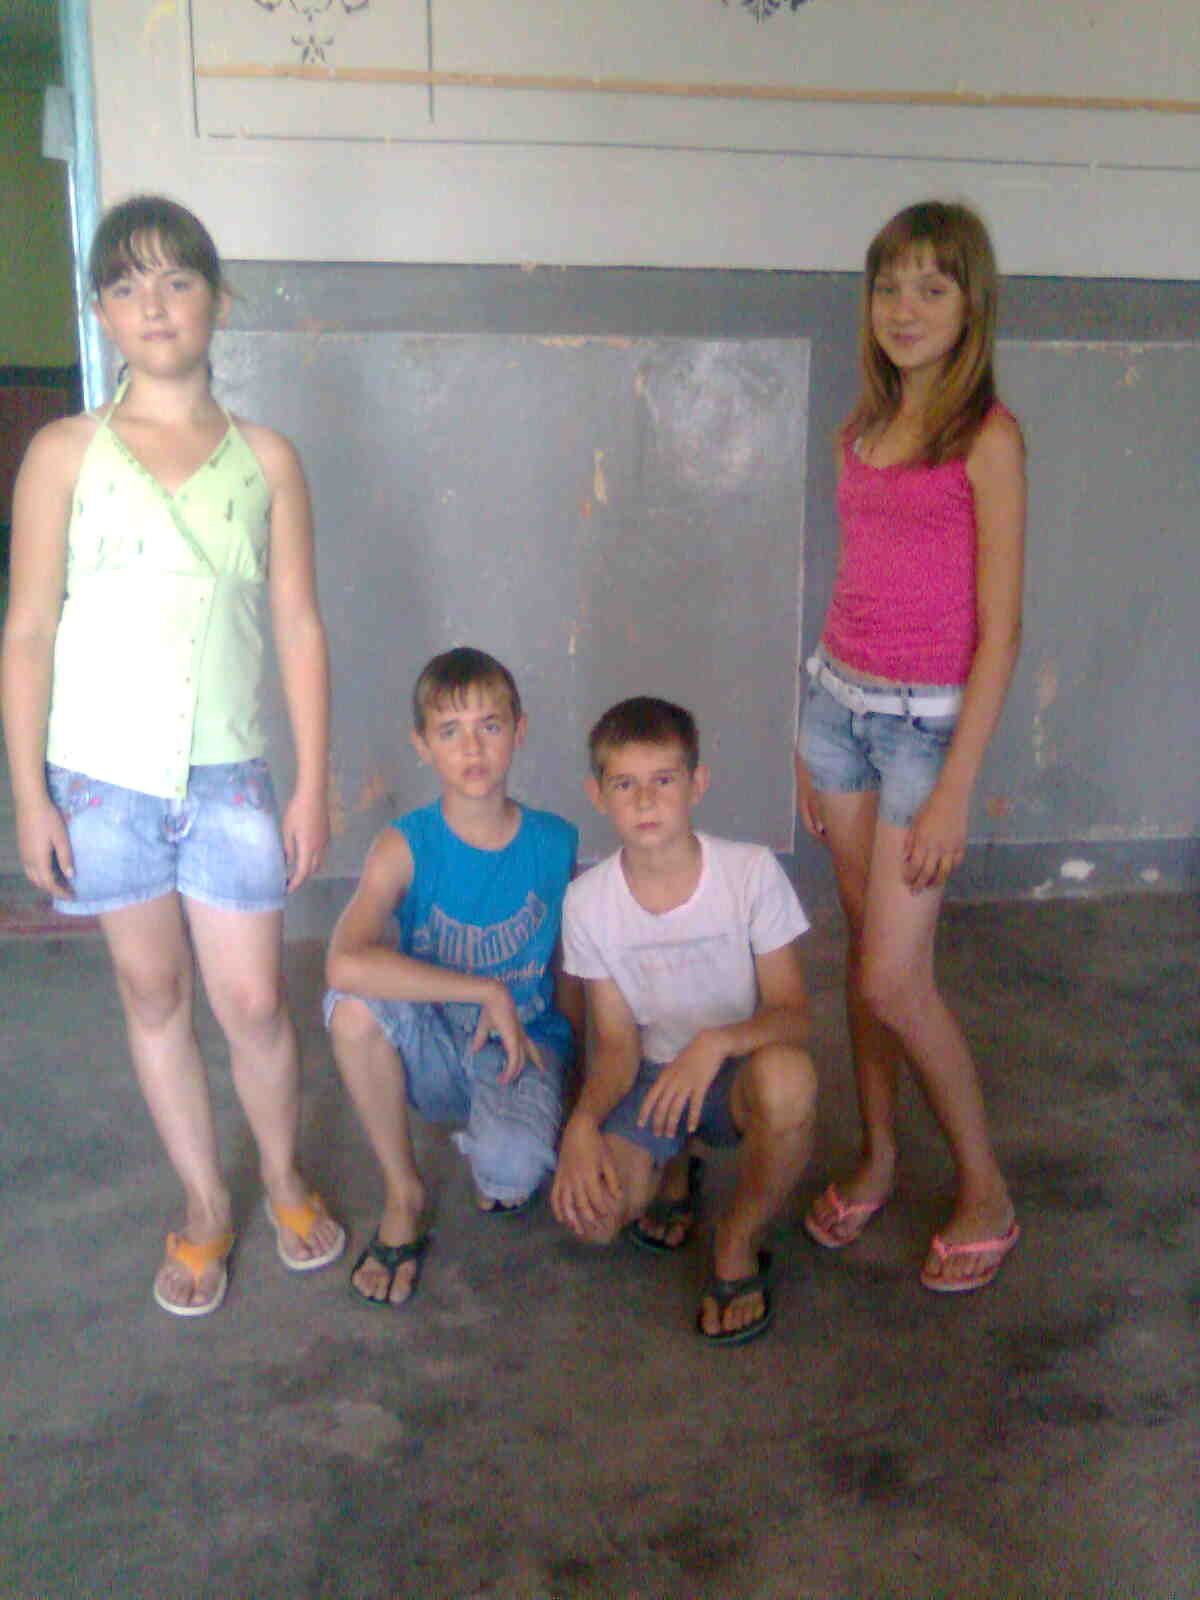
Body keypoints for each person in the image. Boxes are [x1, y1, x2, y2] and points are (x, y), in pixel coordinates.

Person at [0, 195, 344, 1317]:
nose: (153, 304)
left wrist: (312, 783)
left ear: (216, 301)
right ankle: (204, 1204)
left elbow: (298, 625)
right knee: (152, 991)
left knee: (253, 1001)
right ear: (103, 311)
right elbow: (28, 628)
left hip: (232, 778)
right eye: (127, 284)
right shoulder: (64, 453)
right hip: (100, 783)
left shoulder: (267, 460)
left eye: (177, 280)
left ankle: (281, 1177)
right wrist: (29, 797)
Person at [795, 199, 1026, 1293]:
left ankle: (986, 1189)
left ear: (972, 304)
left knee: (896, 979)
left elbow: (1000, 631)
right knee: (863, 955)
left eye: (933, 287)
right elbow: (854, 585)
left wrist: (954, 791)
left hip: (926, 734)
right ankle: (880, 1154)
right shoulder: (861, 430)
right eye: (888, 286)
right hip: (836, 710)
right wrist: (809, 733)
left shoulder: (988, 439)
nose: (905, 307)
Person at [551, 697, 817, 1347]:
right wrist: (582, 1124)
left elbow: (794, 1014)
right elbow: (617, 1044)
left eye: (663, 780)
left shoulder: (749, 872)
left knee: (790, 1081)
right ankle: (675, 1165)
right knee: (596, 1218)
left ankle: (737, 1239)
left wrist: (716, 1044)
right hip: (652, 1076)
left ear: (698, 784)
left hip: (736, 1070)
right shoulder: (586, 902)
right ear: (597, 795)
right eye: (624, 784)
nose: (645, 801)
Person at [324, 647, 579, 1308]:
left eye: (490, 726)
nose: (472, 748)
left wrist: (580, 1102)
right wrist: (482, 990)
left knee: (512, 1175)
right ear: (422, 746)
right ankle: (402, 1193)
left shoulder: (555, 842)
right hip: (435, 1043)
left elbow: (573, 968)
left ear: (519, 731)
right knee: (352, 1007)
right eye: (449, 731)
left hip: (520, 1047)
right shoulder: (404, 844)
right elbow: (343, 961)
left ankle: (502, 1131)